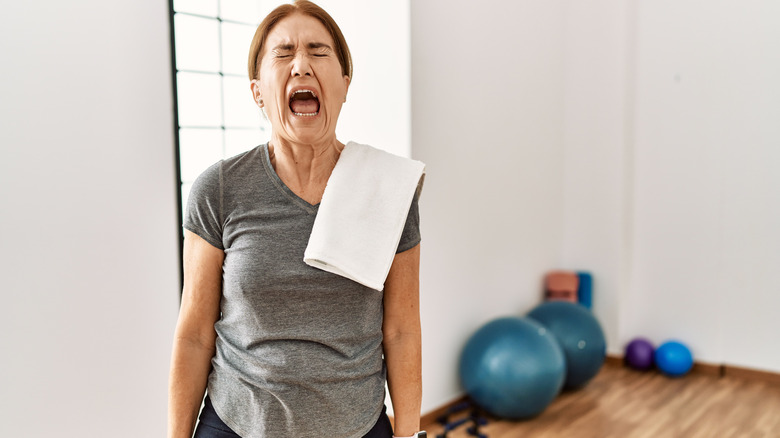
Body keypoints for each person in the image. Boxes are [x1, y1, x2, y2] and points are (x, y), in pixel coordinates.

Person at [167, 1, 424, 437]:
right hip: (234, 424)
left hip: (357, 425)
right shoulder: (220, 188)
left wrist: (410, 434)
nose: (302, 65)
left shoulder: (387, 189)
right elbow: (193, 333)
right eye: (283, 53)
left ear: (344, 84)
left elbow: (401, 329)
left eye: (319, 52)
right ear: (258, 91)